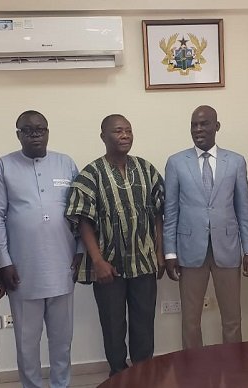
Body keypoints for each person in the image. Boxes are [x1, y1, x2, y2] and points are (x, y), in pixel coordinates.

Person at [65, 114, 165, 376]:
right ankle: (118, 376)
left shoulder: (146, 170)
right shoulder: (90, 174)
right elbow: (83, 221)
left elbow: (158, 214)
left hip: (143, 263)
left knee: (144, 325)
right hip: (108, 266)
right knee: (113, 326)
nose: (124, 136)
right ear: (103, 137)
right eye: (118, 131)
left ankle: (143, 375)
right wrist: (97, 261)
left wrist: (159, 252)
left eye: (128, 131)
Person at [0, 110, 82, 388]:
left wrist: (80, 251)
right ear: (18, 134)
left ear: (48, 132)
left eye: (40, 129)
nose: (35, 135)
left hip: (62, 264)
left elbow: (79, 212)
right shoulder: (2, 167)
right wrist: (4, 261)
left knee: (62, 340)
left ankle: (61, 384)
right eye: (28, 130)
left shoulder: (66, 164)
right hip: (23, 268)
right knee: (26, 342)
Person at [163, 105, 248, 349]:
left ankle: (234, 366)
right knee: (191, 320)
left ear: (216, 126)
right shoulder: (176, 163)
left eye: (204, 124)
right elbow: (170, 211)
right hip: (189, 249)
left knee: (232, 319)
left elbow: (243, 208)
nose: (198, 129)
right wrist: (170, 253)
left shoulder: (235, 161)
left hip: (227, 247)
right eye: (194, 125)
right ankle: (194, 372)